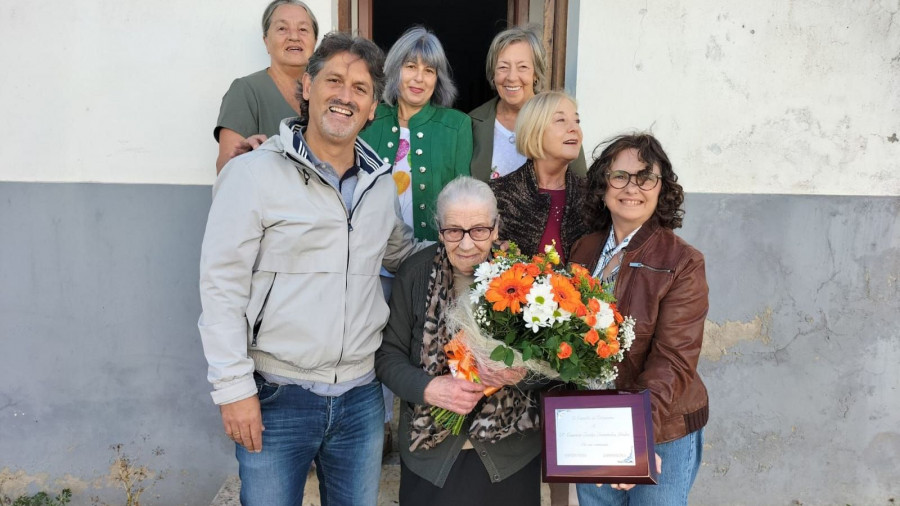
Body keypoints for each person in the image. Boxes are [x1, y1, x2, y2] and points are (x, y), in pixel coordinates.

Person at [199, 32, 424, 505]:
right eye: (334, 81)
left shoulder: (379, 185)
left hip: (362, 399)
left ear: (371, 109)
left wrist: (476, 251)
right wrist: (233, 388)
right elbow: (221, 288)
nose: (345, 96)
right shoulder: (253, 174)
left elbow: (402, 254)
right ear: (307, 86)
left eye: (360, 89)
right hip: (278, 395)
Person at [376, 176, 542, 506]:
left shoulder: (526, 278)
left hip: (510, 456)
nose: (467, 244)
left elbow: (554, 365)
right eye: (454, 231)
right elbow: (387, 356)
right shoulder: (415, 274)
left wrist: (521, 373)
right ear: (439, 231)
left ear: (496, 228)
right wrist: (429, 388)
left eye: (479, 230)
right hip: (432, 455)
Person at [569, 133, 709, 505]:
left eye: (645, 177)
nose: (632, 188)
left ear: (661, 189)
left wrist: (635, 436)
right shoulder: (584, 250)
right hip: (595, 425)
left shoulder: (683, 261)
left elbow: (674, 359)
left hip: (661, 427)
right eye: (620, 176)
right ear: (603, 186)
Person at [360, 26, 472, 241]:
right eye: (411, 66)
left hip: (430, 256)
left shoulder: (457, 126)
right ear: (395, 70)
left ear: (437, 79)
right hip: (372, 253)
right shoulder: (370, 117)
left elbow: (463, 199)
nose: (419, 78)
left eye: (429, 70)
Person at [469, 26, 586, 182]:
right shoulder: (472, 122)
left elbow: (581, 183)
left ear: (535, 73)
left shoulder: (560, 117)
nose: (511, 77)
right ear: (493, 73)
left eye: (522, 67)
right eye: (503, 67)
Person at [214, 0, 318, 173]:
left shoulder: (326, 93)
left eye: (303, 29)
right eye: (282, 28)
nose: (294, 36)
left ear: (314, 41)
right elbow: (225, 168)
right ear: (266, 41)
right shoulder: (246, 90)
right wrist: (245, 155)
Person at [490, 91, 590, 264]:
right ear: (534, 130)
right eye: (560, 120)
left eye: (577, 121)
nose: (574, 128)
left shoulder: (592, 196)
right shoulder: (497, 195)